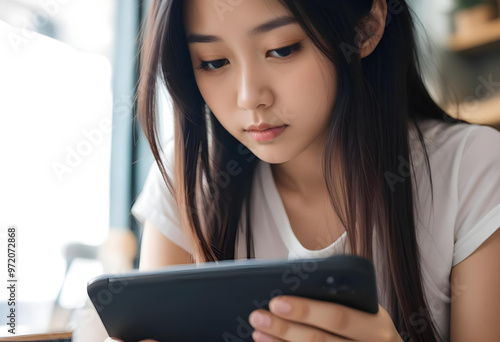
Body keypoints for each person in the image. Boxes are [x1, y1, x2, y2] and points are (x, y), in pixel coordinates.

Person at [107, 0, 500, 341]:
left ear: (366, 28)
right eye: (213, 62)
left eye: (281, 50)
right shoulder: (190, 179)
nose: (250, 97)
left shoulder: (472, 169)